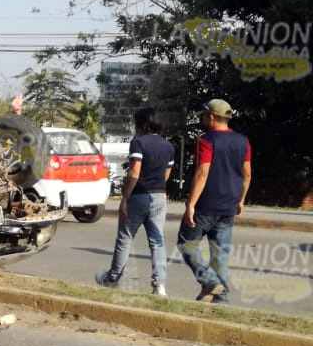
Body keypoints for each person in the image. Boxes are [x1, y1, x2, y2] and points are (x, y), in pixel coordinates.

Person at [178, 99, 251, 303]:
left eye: (203, 115)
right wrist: (241, 199)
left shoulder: (206, 140)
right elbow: (247, 174)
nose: (202, 118)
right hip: (229, 205)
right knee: (221, 254)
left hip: (206, 205)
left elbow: (202, 173)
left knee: (186, 244)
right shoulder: (242, 140)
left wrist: (190, 204)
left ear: (210, 116)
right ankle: (222, 300)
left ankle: (209, 281)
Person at [95, 108, 175, 295]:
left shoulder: (138, 143)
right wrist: (160, 188)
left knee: (125, 239)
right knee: (157, 241)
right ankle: (159, 285)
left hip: (138, 196)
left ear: (142, 124)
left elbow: (134, 173)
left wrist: (125, 198)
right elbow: (167, 173)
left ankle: (112, 278)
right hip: (159, 197)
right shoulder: (168, 146)